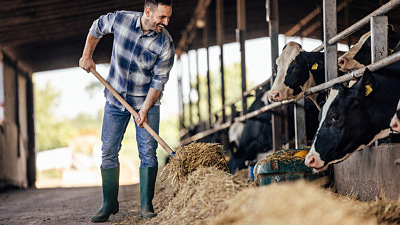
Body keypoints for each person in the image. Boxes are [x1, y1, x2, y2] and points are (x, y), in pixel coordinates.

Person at [79, 0, 174, 222]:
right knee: (109, 150)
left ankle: (146, 206)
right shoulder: (121, 20)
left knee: (148, 153)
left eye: (168, 17)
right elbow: (96, 28)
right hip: (115, 99)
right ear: (148, 12)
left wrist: (145, 109)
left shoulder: (165, 43)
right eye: (162, 17)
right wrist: (87, 55)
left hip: (146, 102)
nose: (166, 22)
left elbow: (159, 81)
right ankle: (109, 203)